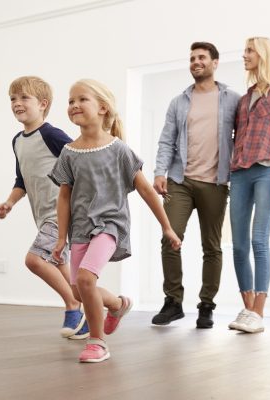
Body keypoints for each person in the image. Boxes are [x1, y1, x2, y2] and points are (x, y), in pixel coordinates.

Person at [50, 79, 181, 363]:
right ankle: (118, 304)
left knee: (85, 279)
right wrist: (61, 237)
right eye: (70, 101)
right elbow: (63, 198)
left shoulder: (119, 149)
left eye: (81, 99)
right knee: (79, 289)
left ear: (103, 108)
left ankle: (97, 342)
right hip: (81, 229)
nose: (73, 105)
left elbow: (146, 189)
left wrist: (167, 227)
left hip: (111, 226)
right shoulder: (69, 152)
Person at [152, 42, 240, 329]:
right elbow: (167, 139)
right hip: (180, 181)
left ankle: (206, 305)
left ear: (215, 62)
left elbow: (242, 138)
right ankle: (173, 301)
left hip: (215, 183)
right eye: (192, 58)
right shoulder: (179, 102)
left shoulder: (232, 99)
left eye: (201, 57)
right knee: (170, 238)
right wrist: (159, 171)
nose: (196, 62)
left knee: (212, 246)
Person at [0, 76, 88, 340]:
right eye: (13, 99)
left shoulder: (51, 134)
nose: (17, 103)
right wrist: (9, 202)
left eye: (24, 98)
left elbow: (80, 158)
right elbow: (22, 180)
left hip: (61, 213)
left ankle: (73, 306)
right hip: (42, 216)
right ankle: (102, 309)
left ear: (43, 104)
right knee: (60, 266)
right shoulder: (18, 141)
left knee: (34, 260)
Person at [228, 37, 270, 333]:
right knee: (238, 245)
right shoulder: (245, 98)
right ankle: (246, 309)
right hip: (240, 174)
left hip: (268, 172)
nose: (244, 56)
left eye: (249, 51)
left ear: (263, 54)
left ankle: (259, 311)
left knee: (259, 240)